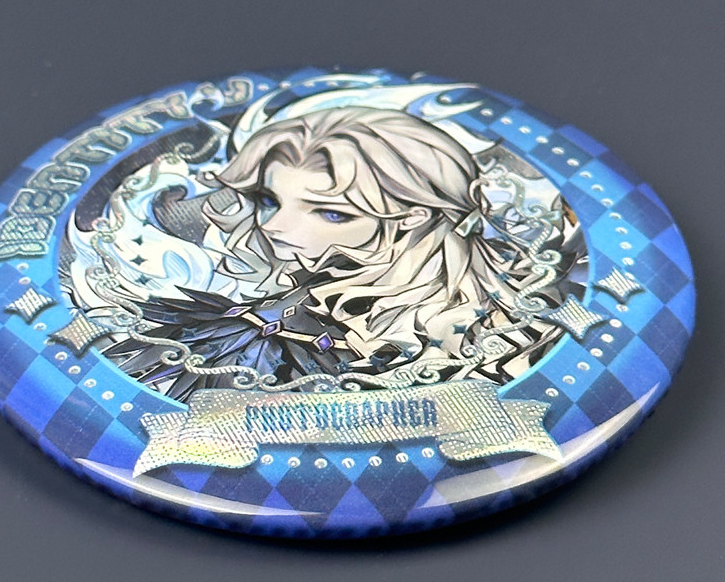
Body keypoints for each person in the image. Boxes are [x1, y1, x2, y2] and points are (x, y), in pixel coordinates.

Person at [104, 106, 580, 400]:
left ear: (413, 216)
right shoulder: (273, 321)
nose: (272, 227)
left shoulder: (526, 317)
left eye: (330, 212)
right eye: (269, 200)